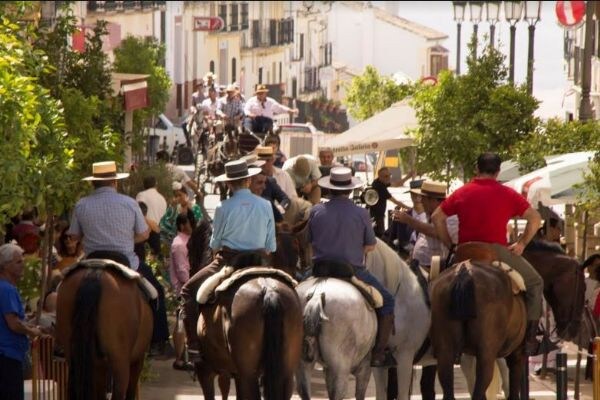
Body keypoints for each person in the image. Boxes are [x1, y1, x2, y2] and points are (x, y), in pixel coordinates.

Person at [431, 152, 544, 354]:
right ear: (498, 171)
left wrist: (450, 244)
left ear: (477, 168)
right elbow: (535, 218)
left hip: (464, 251)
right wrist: (521, 243)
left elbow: (437, 217)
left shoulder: (462, 192)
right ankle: (530, 339)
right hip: (495, 251)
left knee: (434, 286)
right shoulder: (507, 194)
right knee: (535, 282)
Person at [68, 161, 171, 357]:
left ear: (93, 184)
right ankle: (159, 341)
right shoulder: (130, 203)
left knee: (61, 290)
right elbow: (143, 235)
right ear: (115, 182)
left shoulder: (82, 204)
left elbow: (74, 236)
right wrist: (125, 239)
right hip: (126, 262)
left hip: (91, 260)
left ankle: (61, 341)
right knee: (156, 292)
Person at [180, 160, 276, 361]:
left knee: (188, 290)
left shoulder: (223, 207)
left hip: (229, 260)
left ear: (229, 184)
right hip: (260, 261)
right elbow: (271, 246)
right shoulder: (266, 205)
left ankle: (194, 346)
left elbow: (215, 243)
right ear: (248, 180)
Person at [308, 167, 396, 367]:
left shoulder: (315, 210)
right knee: (388, 301)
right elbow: (371, 245)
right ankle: (379, 353)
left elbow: (310, 242)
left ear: (329, 189)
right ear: (349, 190)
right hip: (352, 271)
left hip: (319, 269)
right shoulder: (361, 213)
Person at [0, 243, 46, 400]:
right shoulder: (7, 289)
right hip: (7, 356)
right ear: (6, 266)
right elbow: (13, 323)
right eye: (18, 262)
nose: (23, 265)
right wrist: (31, 331)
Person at [169, 213, 194, 371]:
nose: (193, 225)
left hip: (189, 286)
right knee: (180, 322)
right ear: (182, 226)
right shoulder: (179, 244)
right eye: (190, 223)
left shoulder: (187, 241)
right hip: (184, 288)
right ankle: (179, 359)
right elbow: (182, 271)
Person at [369, 167, 413, 237]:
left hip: (377, 215)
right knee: (380, 237)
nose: (389, 178)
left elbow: (396, 184)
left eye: (389, 175)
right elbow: (395, 201)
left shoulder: (380, 181)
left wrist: (408, 176)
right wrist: (410, 208)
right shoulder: (379, 187)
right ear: (380, 177)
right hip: (377, 217)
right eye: (386, 176)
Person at [136, 176, 167, 256]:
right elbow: (162, 215)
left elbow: (138, 211)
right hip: (156, 231)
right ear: (156, 184)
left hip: (142, 231)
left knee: (141, 257)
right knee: (155, 258)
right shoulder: (162, 199)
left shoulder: (141, 195)